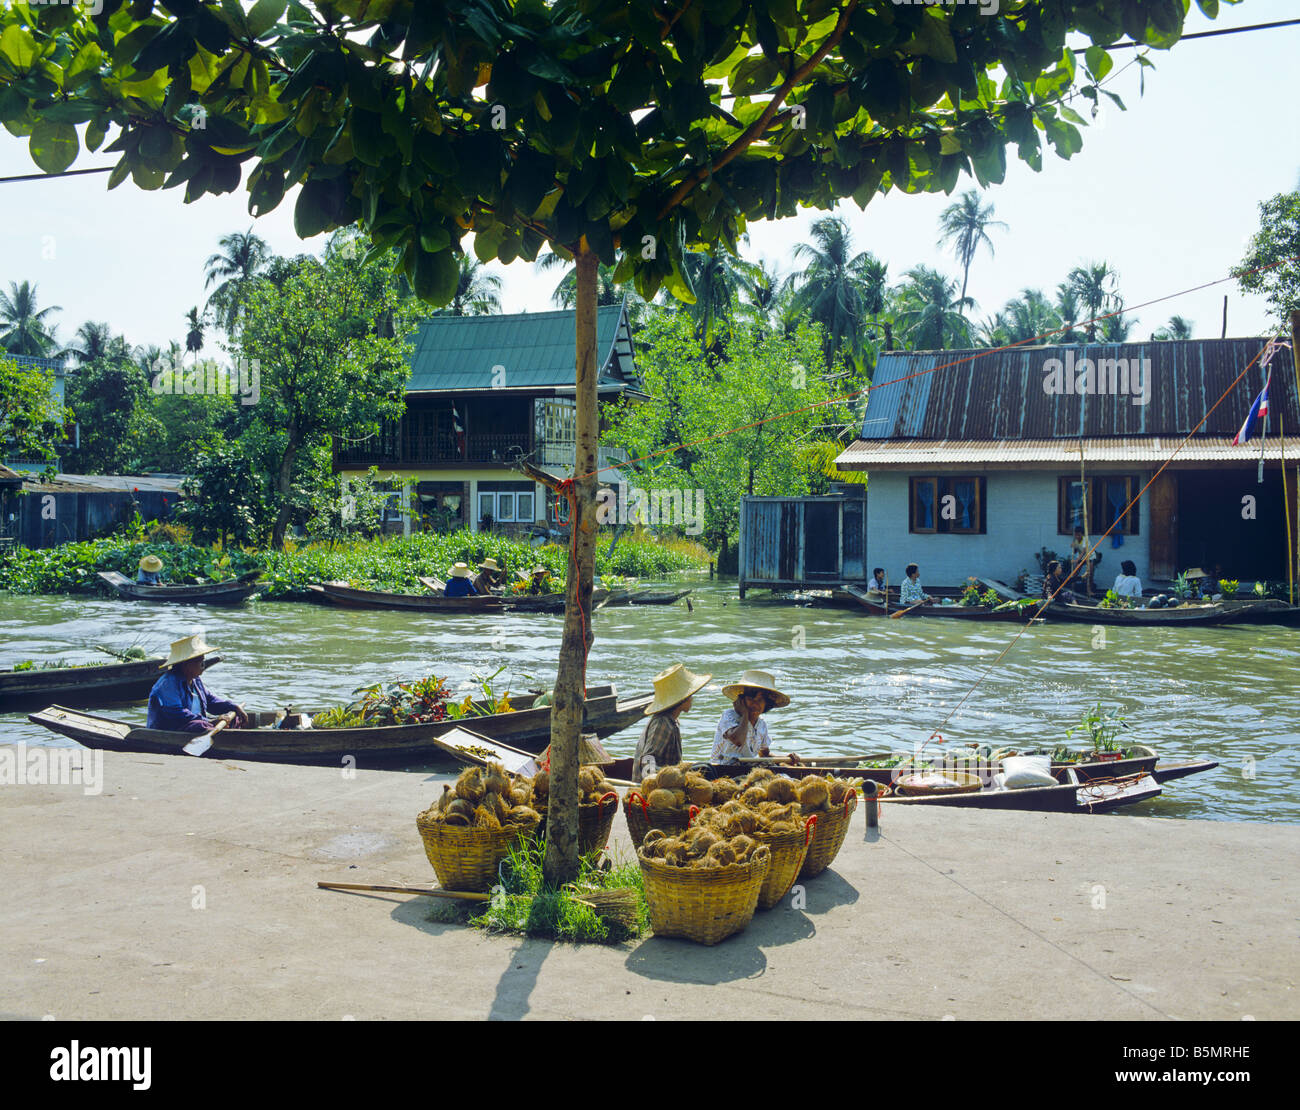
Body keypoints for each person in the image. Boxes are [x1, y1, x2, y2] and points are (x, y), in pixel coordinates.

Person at [147, 634, 248, 732]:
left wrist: (233, 706)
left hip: (196, 723)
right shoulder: (168, 684)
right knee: (200, 725)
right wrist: (210, 722)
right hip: (174, 728)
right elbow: (176, 714)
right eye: (199, 661)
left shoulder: (195, 680)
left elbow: (210, 701)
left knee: (234, 716)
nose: (203, 665)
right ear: (186, 664)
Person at [633, 663, 710, 780]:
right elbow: (647, 764)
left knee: (705, 768)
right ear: (681, 699)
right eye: (690, 695)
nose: (692, 698)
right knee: (706, 770)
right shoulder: (662, 723)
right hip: (653, 786)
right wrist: (674, 774)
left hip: (667, 779)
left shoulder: (672, 721)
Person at [711, 669, 790, 765]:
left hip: (748, 769)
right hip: (723, 769)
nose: (755, 704)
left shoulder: (761, 724)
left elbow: (765, 754)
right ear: (742, 700)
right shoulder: (729, 716)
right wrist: (745, 714)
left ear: (766, 704)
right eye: (751, 699)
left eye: (760, 700)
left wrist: (785, 758)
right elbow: (738, 740)